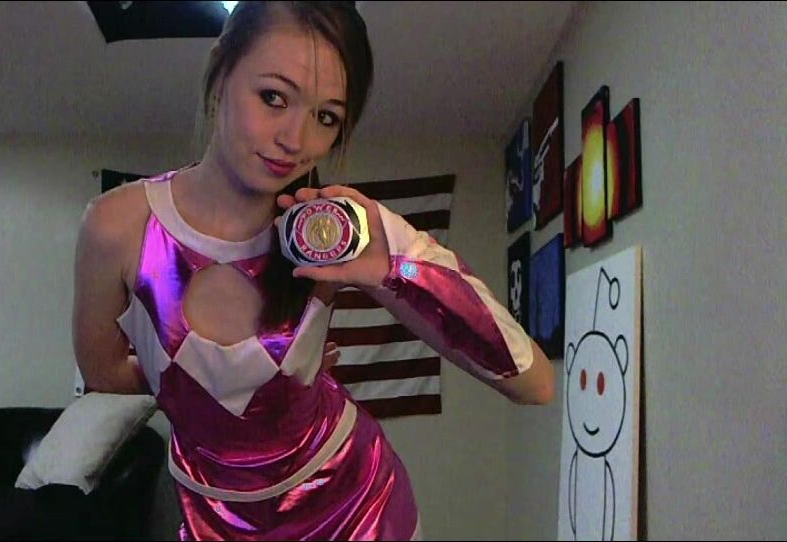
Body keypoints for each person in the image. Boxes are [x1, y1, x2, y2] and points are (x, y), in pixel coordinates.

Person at [72, 2, 555, 540]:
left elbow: (534, 382)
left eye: (326, 117)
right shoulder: (118, 225)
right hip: (213, 520)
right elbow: (103, 375)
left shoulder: (337, 231)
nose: (295, 140)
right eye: (273, 97)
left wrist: (399, 271)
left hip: (356, 510)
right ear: (220, 70)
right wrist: (213, 381)